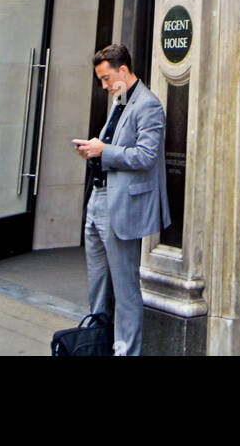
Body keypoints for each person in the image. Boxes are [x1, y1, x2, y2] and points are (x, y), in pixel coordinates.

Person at [73, 43, 169, 356]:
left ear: (123, 70)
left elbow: (146, 156)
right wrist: (92, 151)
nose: (103, 85)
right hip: (98, 201)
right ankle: (97, 345)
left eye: (105, 78)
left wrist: (104, 151)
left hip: (121, 208)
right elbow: (112, 147)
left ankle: (126, 351)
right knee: (98, 285)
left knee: (126, 290)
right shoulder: (119, 102)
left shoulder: (148, 105)